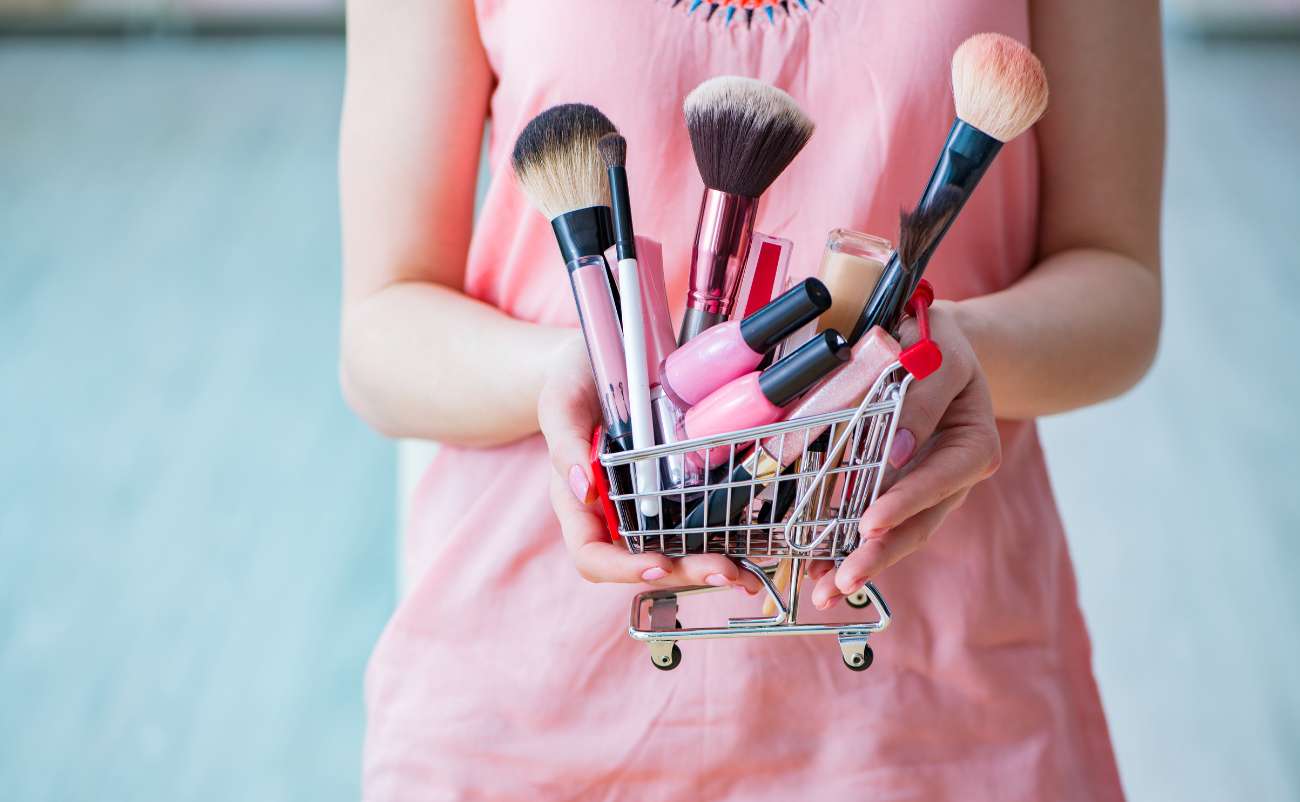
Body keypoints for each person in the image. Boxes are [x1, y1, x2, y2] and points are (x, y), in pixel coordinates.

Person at [339, 0, 1163, 798]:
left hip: (938, 700)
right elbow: (380, 335)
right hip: (525, 698)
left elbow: (1118, 292)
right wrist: (584, 369)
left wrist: (951, 351)